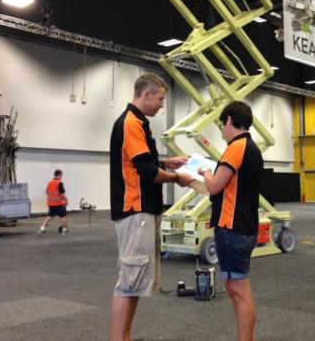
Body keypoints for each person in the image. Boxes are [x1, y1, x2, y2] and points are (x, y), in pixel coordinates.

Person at [110, 73, 193, 341]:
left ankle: (125, 337)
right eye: (160, 99)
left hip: (142, 210)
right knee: (128, 281)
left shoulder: (140, 124)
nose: (161, 105)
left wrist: (170, 163)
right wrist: (178, 178)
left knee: (134, 282)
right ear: (146, 95)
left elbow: (147, 162)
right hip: (135, 210)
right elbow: (147, 171)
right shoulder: (131, 123)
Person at [199, 101, 262, 341]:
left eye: (222, 125)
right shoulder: (252, 148)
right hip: (243, 227)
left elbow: (215, 185)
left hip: (232, 228)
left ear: (228, 121)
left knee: (240, 291)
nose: (222, 131)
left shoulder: (236, 147)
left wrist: (205, 172)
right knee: (236, 289)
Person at [39, 169, 69, 235]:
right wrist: (66, 200)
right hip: (58, 203)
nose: (62, 177)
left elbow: (47, 192)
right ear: (59, 175)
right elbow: (62, 194)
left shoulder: (50, 183)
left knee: (50, 215)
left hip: (50, 203)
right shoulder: (59, 183)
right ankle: (64, 230)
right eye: (61, 175)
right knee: (63, 216)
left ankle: (42, 228)